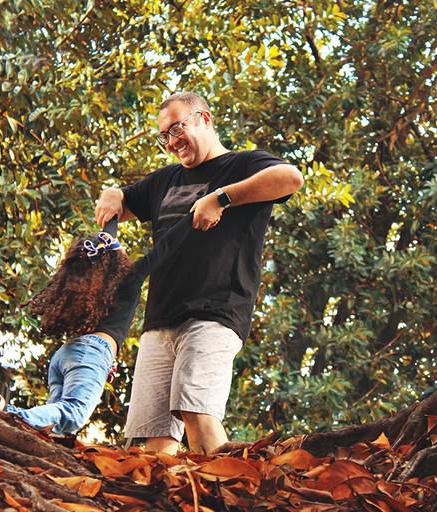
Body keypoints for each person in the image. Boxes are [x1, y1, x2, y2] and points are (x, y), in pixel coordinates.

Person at [94, 91, 304, 454]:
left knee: (197, 411)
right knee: (154, 438)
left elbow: (290, 178)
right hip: (159, 320)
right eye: (165, 136)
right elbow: (125, 201)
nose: (172, 142)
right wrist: (114, 193)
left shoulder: (242, 165)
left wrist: (221, 198)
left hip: (214, 312)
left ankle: (232, 496)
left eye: (177, 128)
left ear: (204, 119)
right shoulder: (164, 180)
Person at [4, 216, 194, 435]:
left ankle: (22, 436)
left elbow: (107, 238)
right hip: (92, 353)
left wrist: (113, 215)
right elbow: (165, 246)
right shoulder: (129, 279)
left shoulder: (87, 286)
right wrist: (192, 217)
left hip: (67, 354)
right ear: (115, 258)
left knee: (53, 428)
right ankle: (10, 414)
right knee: (74, 413)